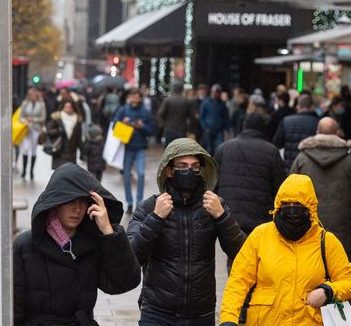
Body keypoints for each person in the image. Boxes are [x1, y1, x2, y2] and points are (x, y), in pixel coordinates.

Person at [128, 138, 245, 326]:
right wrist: (156, 219)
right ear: (169, 170)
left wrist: (222, 218)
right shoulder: (150, 207)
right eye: (182, 166)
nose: (189, 171)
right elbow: (130, 259)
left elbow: (242, 255)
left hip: (201, 314)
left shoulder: (214, 205)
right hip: (157, 312)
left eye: (195, 166)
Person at [219, 174, 351, 326]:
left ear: (310, 209)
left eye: (298, 208)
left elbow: (349, 282)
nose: (293, 214)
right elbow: (238, 281)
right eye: (287, 207)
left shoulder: (326, 241)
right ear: (278, 207)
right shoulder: (261, 236)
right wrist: (228, 319)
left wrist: (327, 291)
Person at [13, 163, 141, 326]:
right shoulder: (24, 246)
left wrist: (109, 231)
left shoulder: (93, 243)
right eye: (69, 200)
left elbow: (124, 282)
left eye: (82, 201)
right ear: (56, 202)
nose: (77, 209)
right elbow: (14, 312)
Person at [290, 117, 351, 259]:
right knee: (340, 265)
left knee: (311, 264)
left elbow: (290, 189)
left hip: (308, 223)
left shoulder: (302, 158)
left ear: (317, 132)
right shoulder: (350, 158)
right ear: (337, 133)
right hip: (343, 222)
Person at [215, 113, 287, 236]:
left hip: (229, 216)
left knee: (235, 252)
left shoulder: (223, 148)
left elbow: (213, 182)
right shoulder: (271, 151)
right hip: (260, 217)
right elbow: (280, 187)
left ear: (244, 126)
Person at [113, 89, 155, 213]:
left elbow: (152, 130)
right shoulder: (123, 110)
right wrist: (122, 123)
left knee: (141, 174)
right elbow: (115, 126)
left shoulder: (145, 112)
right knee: (126, 176)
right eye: (132, 96)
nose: (134, 99)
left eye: (137, 96)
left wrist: (142, 126)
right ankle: (130, 203)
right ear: (129, 97)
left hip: (140, 147)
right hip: (126, 147)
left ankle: (139, 203)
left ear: (140, 98)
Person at [273, 94, 320, 169]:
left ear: (298, 106)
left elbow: (277, 143)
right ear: (312, 107)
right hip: (310, 168)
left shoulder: (286, 121)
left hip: (290, 168)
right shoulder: (318, 123)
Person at [19, 88, 47, 181]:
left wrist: (33, 119)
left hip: (36, 129)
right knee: (25, 149)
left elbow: (43, 118)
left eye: (34, 95)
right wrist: (25, 120)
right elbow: (20, 117)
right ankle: (24, 171)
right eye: (31, 95)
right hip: (26, 129)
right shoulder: (25, 103)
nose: (33, 96)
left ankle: (31, 171)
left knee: (34, 150)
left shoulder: (41, 104)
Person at [46, 100, 83, 170]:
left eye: (70, 107)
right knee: (59, 173)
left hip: (71, 153)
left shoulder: (77, 120)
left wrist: (82, 152)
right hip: (59, 150)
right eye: (66, 107)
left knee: (70, 173)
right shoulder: (57, 118)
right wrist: (58, 131)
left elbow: (79, 138)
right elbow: (49, 131)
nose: (68, 109)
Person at [157, 83, 194, 148]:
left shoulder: (168, 100)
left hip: (169, 129)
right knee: (180, 150)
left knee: (168, 149)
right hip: (182, 129)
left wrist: (162, 125)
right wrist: (190, 129)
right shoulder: (187, 101)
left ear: (173, 89)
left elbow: (160, 114)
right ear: (182, 90)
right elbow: (191, 117)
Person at [199, 84, 229, 154]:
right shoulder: (206, 102)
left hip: (219, 130)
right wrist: (205, 128)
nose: (215, 94)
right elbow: (201, 116)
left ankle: (216, 164)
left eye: (217, 92)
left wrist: (227, 128)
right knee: (209, 149)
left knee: (219, 148)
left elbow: (226, 117)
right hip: (208, 130)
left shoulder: (222, 104)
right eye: (213, 92)